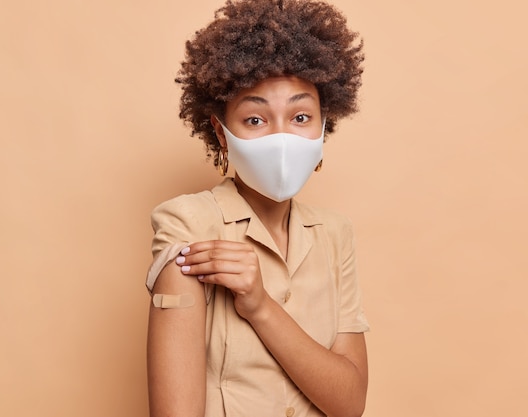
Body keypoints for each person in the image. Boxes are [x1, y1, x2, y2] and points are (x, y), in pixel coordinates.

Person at [145, 1, 369, 416]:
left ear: (323, 127)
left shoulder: (336, 234)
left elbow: (350, 403)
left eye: (300, 116)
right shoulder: (188, 226)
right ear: (221, 132)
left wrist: (260, 306)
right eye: (255, 120)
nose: (282, 137)